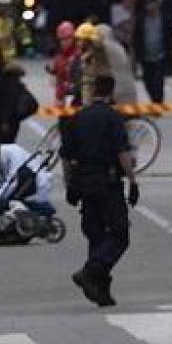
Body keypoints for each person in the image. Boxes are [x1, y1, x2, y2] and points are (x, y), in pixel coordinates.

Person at [60, 74, 137, 307]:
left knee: (96, 234)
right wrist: (133, 181)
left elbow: (66, 157)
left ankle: (99, 289)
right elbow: (122, 154)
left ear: (93, 91)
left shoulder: (78, 117)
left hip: (83, 181)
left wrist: (69, 184)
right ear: (112, 92)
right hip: (107, 181)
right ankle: (91, 271)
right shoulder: (113, 118)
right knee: (119, 233)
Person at [0, 137, 54, 217]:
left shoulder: (13, 152)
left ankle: (44, 209)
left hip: (34, 182)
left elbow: (14, 179)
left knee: (4, 203)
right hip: (17, 185)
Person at [46, 21, 78, 104]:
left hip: (75, 93)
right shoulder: (59, 55)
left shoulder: (78, 53)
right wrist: (51, 70)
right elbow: (56, 72)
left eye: (67, 39)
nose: (64, 42)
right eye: (62, 39)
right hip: (61, 93)